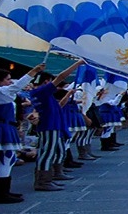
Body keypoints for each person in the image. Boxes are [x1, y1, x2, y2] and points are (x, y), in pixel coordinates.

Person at [0, 63, 45, 203]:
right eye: (7, 79)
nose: (9, 82)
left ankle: (0, 192)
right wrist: (33, 71)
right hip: (0, 128)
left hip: (2, 127)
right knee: (5, 159)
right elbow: (15, 87)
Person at [30, 60, 84, 191]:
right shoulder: (41, 92)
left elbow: (58, 106)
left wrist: (68, 94)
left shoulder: (42, 94)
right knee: (47, 153)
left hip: (52, 124)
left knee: (50, 152)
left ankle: (49, 177)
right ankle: (43, 181)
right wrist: (77, 63)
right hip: (49, 126)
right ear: (46, 81)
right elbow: (61, 77)